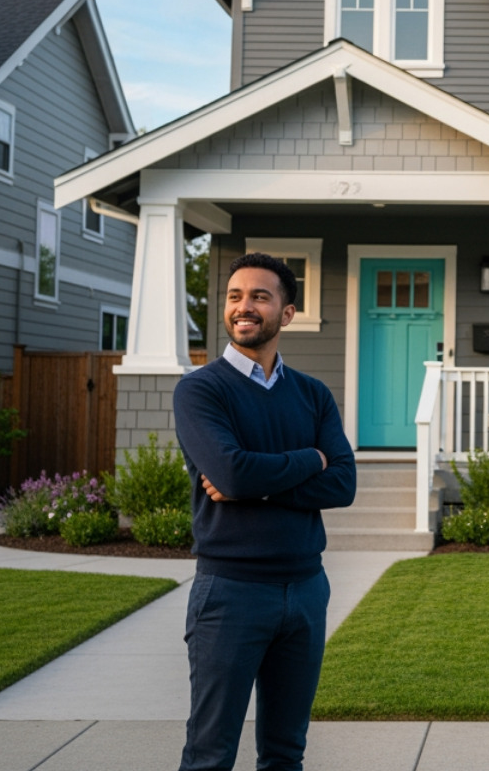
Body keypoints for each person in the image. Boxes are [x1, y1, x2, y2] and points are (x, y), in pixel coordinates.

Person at [172, 251, 356, 771]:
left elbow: (343, 484)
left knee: (285, 754)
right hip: (231, 593)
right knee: (210, 754)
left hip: (306, 589)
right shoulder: (200, 390)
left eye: (259, 296)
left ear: (287, 313)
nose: (244, 306)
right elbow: (231, 474)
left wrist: (261, 483)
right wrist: (310, 459)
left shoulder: (313, 394)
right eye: (235, 296)